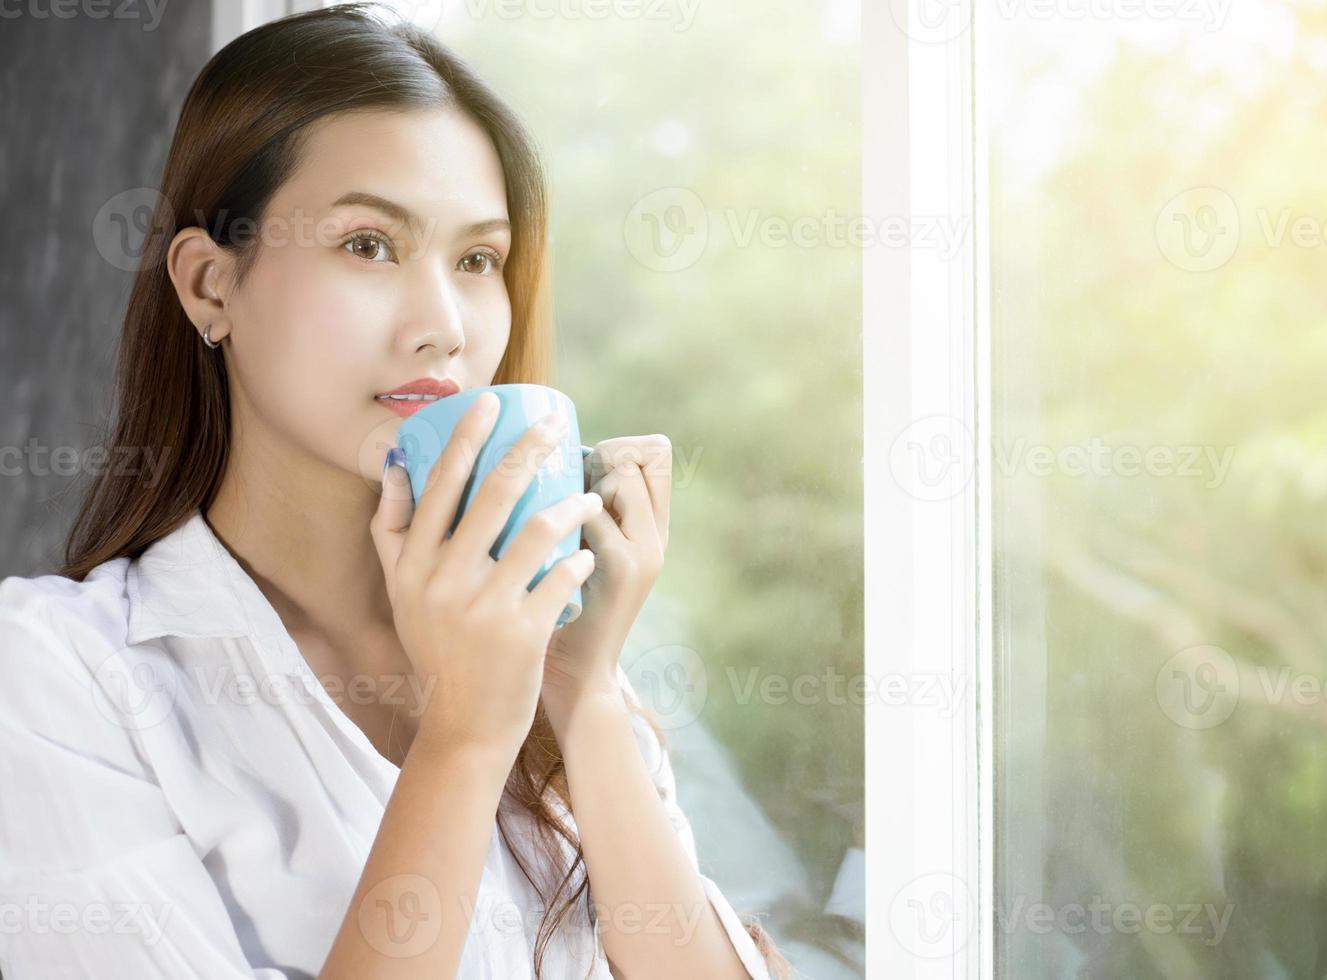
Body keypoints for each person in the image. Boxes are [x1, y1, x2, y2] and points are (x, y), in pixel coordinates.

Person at [0, 4, 787, 978]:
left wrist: (580, 693)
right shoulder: (58, 673)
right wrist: (462, 735)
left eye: (477, 259)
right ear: (209, 285)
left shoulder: (541, 647)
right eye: (369, 244)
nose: (443, 325)